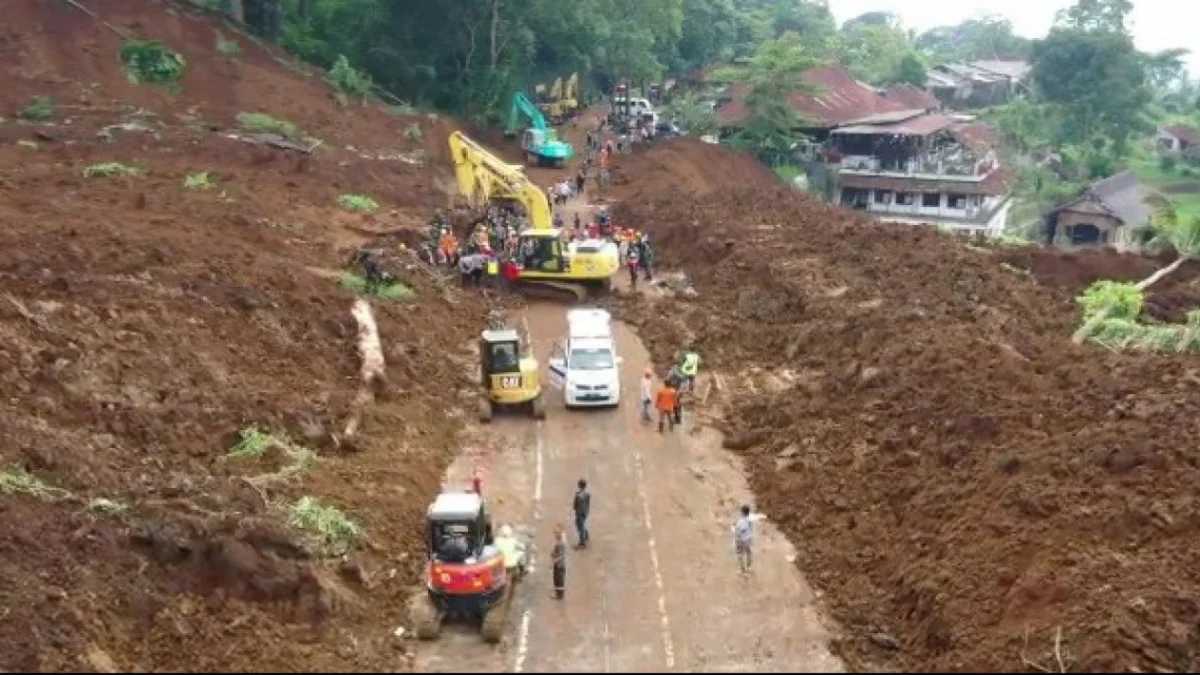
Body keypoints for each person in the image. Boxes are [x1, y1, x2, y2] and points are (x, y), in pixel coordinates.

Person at [732, 505, 754, 576]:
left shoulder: (740, 522)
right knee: (749, 552)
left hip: (741, 540)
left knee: (739, 554)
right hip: (748, 538)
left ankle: (743, 570)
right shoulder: (750, 520)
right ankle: (749, 567)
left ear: (742, 512)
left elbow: (737, 532)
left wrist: (733, 527)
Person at [572, 479, 591, 550]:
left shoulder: (577, 495)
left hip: (579, 513)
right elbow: (588, 503)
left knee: (579, 526)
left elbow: (575, 505)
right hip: (585, 512)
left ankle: (582, 542)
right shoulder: (588, 494)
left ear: (579, 486)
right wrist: (587, 511)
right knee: (582, 525)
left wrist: (574, 508)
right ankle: (585, 535)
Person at [551, 524, 567, 600]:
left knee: (559, 580)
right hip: (558, 564)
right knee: (557, 579)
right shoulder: (559, 541)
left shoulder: (560, 543)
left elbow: (561, 556)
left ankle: (559, 596)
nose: (554, 534)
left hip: (559, 565)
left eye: (556, 532)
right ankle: (558, 594)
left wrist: (554, 560)